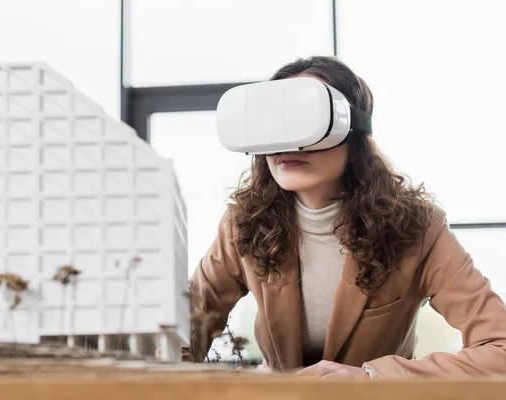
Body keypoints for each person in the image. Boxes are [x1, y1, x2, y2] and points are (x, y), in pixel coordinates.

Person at [189, 56, 506, 379]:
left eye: (305, 120)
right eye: (276, 123)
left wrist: (371, 380)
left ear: (354, 138)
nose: (286, 143)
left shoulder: (418, 228)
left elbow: (500, 348)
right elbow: (180, 334)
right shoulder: (241, 225)